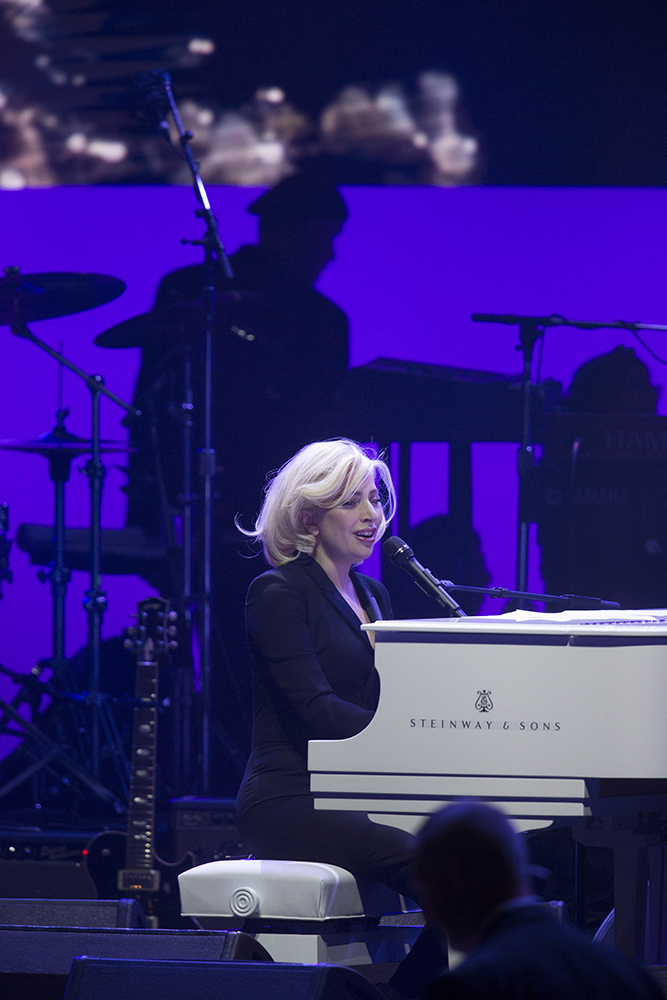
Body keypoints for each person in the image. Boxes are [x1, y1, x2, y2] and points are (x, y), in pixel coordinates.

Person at [236, 438, 447, 997]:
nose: (372, 515)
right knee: (448, 874)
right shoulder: (278, 592)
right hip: (289, 797)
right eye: (352, 502)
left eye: (375, 499)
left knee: (485, 860)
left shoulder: (373, 594)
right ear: (308, 514)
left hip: (359, 786)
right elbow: (315, 709)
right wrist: (406, 740)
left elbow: (390, 700)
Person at [413, 801, 662, 1000]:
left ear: (455, 877)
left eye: (427, 891)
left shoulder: (467, 987)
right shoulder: (629, 975)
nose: (429, 913)